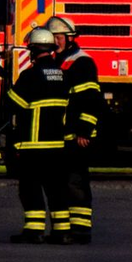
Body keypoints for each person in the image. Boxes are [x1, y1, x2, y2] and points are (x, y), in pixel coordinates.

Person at [7, 27, 71, 244]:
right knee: (57, 189)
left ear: (32, 50)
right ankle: (62, 232)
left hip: (33, 145)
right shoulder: (64, 76)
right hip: (58, 146)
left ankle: (34, 231)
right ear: (52, 49)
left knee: (30, 188)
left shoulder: (30, 76)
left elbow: (11, 106)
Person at [47, 14, 101, 244]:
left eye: (59, 37)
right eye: (53, 37)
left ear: (70, 39)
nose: (56, 41)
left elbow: (90, 99)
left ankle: (80, 230)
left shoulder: (82, 62)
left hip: (77, 136)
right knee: (60, 182)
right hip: (61, 136)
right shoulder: (56, 62)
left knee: (75, 181)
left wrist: (84, 130)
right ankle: (64, 229)